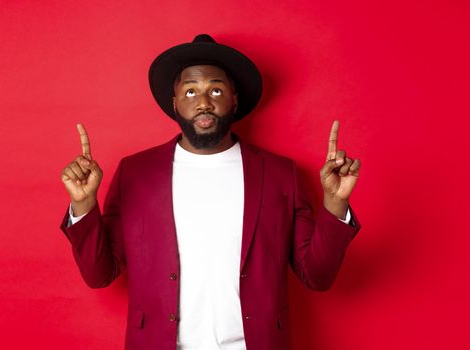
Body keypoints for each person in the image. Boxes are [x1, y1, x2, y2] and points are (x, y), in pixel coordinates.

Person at [59, 34, 361, 350]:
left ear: (234, 100)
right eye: (191, 91)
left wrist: (335, 203)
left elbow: (318, 276)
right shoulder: (136, 173)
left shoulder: (280, 175)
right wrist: (83, 205)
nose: (204, 101)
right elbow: (99, 274)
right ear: (175, 103)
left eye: (215, 89)